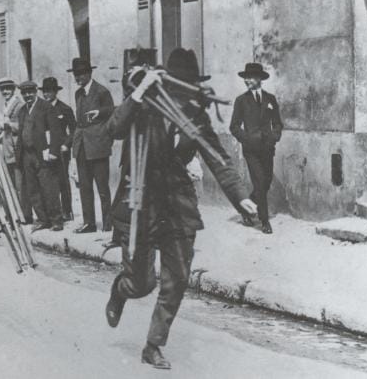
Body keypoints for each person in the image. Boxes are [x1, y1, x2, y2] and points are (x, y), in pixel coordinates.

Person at [103, 48, 258, 369]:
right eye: (180, 85)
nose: (186, 93)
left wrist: (240, 196)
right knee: (141, 284)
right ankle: (120, 291)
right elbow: (113, 130)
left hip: (178, 204)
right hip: (140, 203)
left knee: (177, 279)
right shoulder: (145, 107)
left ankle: (153, 345)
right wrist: (140, 92)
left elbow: (218, 158)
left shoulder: (195, 116)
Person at [229, 62, 283, 234]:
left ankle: (245, 208)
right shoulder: (241, 101)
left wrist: (274, 136)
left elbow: (278, 123)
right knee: (259, 182)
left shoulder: (270, 99)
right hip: (251, 150)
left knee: (266, 183)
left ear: (259, 79)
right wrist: (247, 139)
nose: (247, 81)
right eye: (246, 78)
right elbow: (234, 126)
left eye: (251, 77)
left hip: (267, 148)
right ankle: (264, 220)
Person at [68, 58, 115, 233]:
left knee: (102, 187)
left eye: (81, 74)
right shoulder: (78, 94)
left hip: (98, 147)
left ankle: (108, 223)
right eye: (75, 74)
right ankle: (90, 223)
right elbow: (79, 122)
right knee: (85, 187)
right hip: (82, 147)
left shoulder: (102, 91)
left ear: (89, 73)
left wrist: (100, 112)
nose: (78, 77)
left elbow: (113, 112)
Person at [15, 81, 65, 231]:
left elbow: (56, 131)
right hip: (27, 154)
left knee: (48, 187)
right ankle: (43, 219)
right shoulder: (22, 110)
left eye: (30, 92)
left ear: (36, 91)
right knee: (33, 189)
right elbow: (21, 133)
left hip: (43, 153)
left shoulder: (46, 107)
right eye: (24, 93)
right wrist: (20, 155)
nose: (27, 95)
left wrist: (53, 152)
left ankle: (56, 220)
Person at [0, 77, 31, 223]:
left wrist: (8, 124)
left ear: (13, 89)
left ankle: (24, 215)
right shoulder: (6, 105)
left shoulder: (20, 105)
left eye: (8, 88)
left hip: (17, 148)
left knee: (20, 184)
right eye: (3, 89)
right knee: (10, 183)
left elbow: (23, 126)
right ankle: (14, 214)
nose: (5, 91)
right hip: (7, 148)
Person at [40, 77, 76, 221]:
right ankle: (52, 212)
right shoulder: (41, 109)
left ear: (56, 92)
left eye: (49, 91)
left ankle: (67, 211)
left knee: (63, 180)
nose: (47, 94)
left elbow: (74, 130)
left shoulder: (64, 109)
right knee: (48, 181)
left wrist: (66, 144)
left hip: (61, 150)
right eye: (45, 91)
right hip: (45, 149)